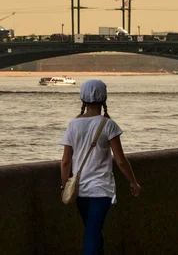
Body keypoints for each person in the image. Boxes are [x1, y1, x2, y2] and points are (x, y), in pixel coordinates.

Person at [60, 79, 141, 255]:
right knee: (93, 234)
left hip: (80, 190)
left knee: (94, 232)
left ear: (83, 99)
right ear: (104, 99)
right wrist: (133, 182)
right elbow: (120, 160)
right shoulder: (108, 125)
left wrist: (65, 183)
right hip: (101, 189)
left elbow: (66, 160)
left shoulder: (73, 125)